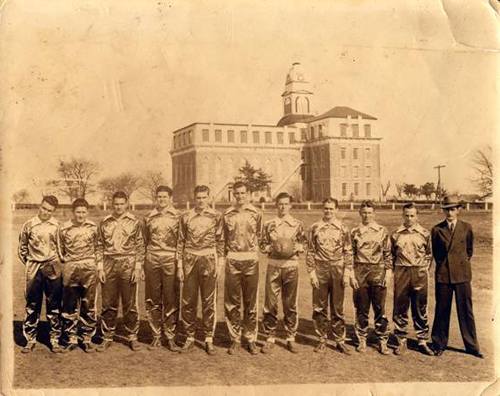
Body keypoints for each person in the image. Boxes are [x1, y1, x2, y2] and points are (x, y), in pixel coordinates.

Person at [430, 195, 483, 358]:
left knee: (466, 311)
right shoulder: (437, 230)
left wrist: (458, 265)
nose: (450, 213)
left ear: (458, 210)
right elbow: (437, 255)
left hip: (462, 275)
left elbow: (469, 251)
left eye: (452, 209)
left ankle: (472, 347)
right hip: (444, 276)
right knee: (442, 310)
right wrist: (446, 266)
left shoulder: (466, 227)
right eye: (446, 209)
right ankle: (438, 344)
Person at [176, 185, 224, 355]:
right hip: (189, 259)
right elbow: (180, 242)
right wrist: (180, 266)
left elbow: (220, 241)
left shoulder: (217, 216)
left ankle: (208, 338)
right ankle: (189, 336)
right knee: (188, 300)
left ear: (209, 198)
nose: (201, 200)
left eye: (204, 197)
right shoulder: (186, 217)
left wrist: (219, 264)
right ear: (194, 198)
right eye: (199, 197)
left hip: (209, 260)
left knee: (209, 301)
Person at [96, 191, 145, 352]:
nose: (118, 206)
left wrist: (137, 267)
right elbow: (99, 246)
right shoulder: (104, 222)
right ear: (112, 204)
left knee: (130, 303)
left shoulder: (135, 222)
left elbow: (140, 245)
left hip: (128, 263)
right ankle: (107, 336)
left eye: (121, 203)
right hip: (109, 263)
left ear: (127, 204)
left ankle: (132, 336)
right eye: (116, 203)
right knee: (108, 303)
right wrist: (100, 267)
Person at [260, 192, 307, 354]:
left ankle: (290, 337)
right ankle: (269, 337)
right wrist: (270, 248)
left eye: (286, 204)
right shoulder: (269, 224)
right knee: (270, 303)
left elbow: (304, 243)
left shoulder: (297, 224)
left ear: (290, 205)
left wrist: (298, 248)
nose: (283, 207)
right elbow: (262, 244)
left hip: (291, 267)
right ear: (276, 205)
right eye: (280, 204)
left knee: (290, 303)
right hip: (273, 266)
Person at [307, 197, 354, 354]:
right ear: (323, 209)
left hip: (338, 269)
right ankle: (321, 339)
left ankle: (339, 340)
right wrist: (312, 272)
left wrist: (347, 272)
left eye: (331, 208)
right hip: (320, 269)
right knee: (319, 306)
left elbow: (348, 251)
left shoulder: (343, 228)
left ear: (336, 210)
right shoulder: (315, 228)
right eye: (326, 208)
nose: (328, 211)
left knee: (337, 307)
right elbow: (310, 251)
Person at [18, 195, 63, 353]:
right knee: (32, 304)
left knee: (54, 304)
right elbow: (22, 249)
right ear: (40, 206)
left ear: (54, 211)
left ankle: (55, 339)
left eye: (49, 210)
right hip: (34, 267)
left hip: (52, 266)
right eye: (44, 208)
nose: (45, 212)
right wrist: (32, 263)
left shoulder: (57, 226)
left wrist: (54, 264)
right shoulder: (29, 224)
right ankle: (30, 339)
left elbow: (61, 248)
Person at [222, 181, 262, 355]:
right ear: (233, 194)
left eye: (243, 193)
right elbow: (222, 238)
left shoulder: (256, 213)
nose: (239, 196)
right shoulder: (227, 214)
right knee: (232, 302)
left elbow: (260, 235)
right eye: (237, 193)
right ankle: (235, 338)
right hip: (233, 259)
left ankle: (251, 338)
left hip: (251, 260)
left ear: (248, 194)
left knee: (250, 302)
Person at [390, 203, 433, 356]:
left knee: (420, 306)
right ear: (403, 215)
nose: (409, 218)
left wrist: (423, 269)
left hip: (419, 272)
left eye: (412, 215)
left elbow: (429, 255)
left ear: (417, 216)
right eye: (406, 215)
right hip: (401, 271)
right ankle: (401, 340)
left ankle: (422, 340)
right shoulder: (396, 234)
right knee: (400, 306)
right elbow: (391, 254)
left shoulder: (425, 234)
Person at [350, 200, 392, 355]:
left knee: (380, 308)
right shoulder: (354, 232)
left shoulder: (382, 231)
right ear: (360, 213)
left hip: (378, 271)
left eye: (369, 212)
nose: (367, 215)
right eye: (364, 212)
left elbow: (387, 254)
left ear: (374, 214)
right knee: (361, 308)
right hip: (360, 271)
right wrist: (351, 274)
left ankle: (383, 341)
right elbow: (351, 255)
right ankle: (362, 339)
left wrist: (388, 273)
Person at [58, 198, 100, 353]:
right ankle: (71, 337)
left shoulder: (93, 227)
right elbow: (60, 249)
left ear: (87, 212)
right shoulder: (64, 229)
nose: (80, 215)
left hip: (89, 267)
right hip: (71, 267)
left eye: (83, 212)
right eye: (78, 212)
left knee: (88, 303)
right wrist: (69, 261)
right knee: (69, 303)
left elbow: (98, 247)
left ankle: (87, 337)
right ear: (73, 212)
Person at [143, 185, 181, 351]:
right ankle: (156, 336)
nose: (162, 200)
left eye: (165, 197)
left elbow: (181, 241)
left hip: (170, 259)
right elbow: (144, 241)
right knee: (153, 298)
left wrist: (179, 264)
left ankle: (171, 336)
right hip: (152, 259)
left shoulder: (178, 217)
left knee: (171, 298)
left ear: (170, 198)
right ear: (156, 198)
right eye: (159, 197)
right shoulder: (148, 217)